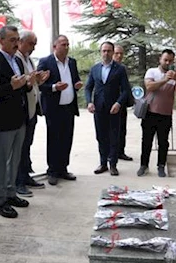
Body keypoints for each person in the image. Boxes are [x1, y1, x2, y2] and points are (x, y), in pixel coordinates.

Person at [0, 26, 33, 218]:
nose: (16, 43)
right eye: (12, 40)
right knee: (1, 162)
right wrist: (11, 86)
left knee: (15, 159)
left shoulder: (17, 61)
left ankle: (11, 193)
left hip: (19, 118)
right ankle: (0, 200)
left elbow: (21, 88)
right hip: (3, 120)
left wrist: (29, 84)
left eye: (17, 39)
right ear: (0, 40)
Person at [37, 35, 82, 186]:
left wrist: (77, 84)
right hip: (53, 108)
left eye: (68, 44)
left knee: (67, 139)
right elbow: (39, 84)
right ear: (54, 46)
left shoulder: (72, 62)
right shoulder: (46, 62)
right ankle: (52, 171)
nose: (66, 47)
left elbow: (75, 79)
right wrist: (54, 87)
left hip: (69, 107)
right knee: (54, 139)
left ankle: (63, 168)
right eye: (63, 44)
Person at [85, 42, 131, 176]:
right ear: (100, 52)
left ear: (112, 52)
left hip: (114, 108)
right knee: (101, 136)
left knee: (114, 136)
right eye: (104, 51)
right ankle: (103, 163)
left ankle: (113, 165)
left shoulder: (120, 69)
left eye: (109, 51)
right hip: (99, 108)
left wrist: (118, 103)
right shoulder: (95, 69)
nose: (106, 53)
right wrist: (89, 102)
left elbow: (125, 90)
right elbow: (88, 87)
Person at [137, 49, 176, 178]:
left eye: (170, 60)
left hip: (165, 114)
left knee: (163, 142)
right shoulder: (152, 72)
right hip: (150, 112)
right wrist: (165, 79)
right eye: (165, 60)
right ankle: (144, 165)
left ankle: (161, 166)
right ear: (160, 59)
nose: (167, 62)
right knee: (146, 141)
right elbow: (149, 86)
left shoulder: (174, 76)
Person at [15, 30, 49, 196]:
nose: (33, 48)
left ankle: (26, 175)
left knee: (27, 144)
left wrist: (39, 80)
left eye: (35, 44)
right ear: (20, 42)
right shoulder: (16, 59)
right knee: (20, 147)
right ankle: (18, 181)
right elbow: (20, 83)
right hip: (21, 109)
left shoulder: (28, 59)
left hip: (32, 108)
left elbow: (32, 82)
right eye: (30, 44)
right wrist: (31, 81)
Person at [112, 44, 134, 162]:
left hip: (122, 103)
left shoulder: (123, 68)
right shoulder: (106, 67)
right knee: (111, 130)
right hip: (110, 102)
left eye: (121, 53)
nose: (119, 56)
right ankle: (110, 153)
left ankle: (120, 151)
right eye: (117, 53)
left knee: (122, 129)